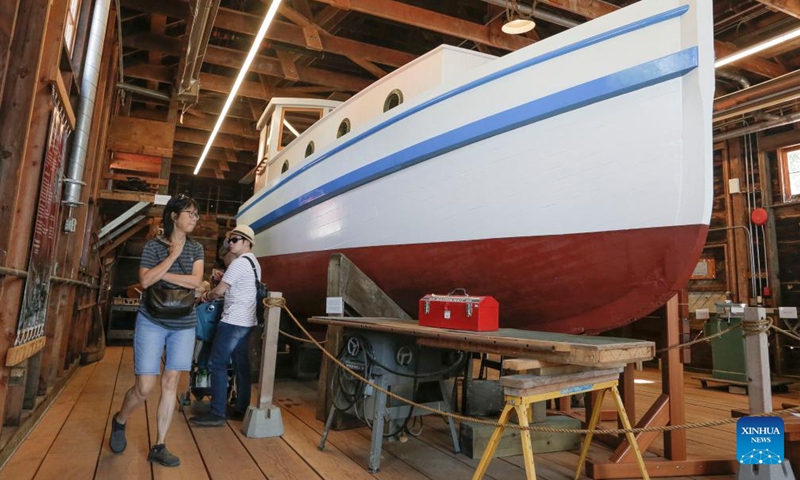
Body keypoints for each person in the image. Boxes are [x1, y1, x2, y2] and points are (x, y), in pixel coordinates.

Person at [108, 194, 204, 467]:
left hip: (184, 322)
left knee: (171, 382)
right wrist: (172, 256)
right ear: (174, 216)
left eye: (196, 215)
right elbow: (145, 280)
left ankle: (159, 445)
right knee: (144, 387)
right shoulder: (153, 246)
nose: (194, 219)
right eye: (190, 213)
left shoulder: (197, 248)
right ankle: (120, 420)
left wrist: (163, 274)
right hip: (152, 320)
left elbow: (197, 281)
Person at [189, 224, 260, 426]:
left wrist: (205, 296)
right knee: (241, 365)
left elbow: (218, 292)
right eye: (230, 239)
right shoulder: (254, 263)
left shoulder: (238, 264)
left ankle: (217, 412)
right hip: (247, 321)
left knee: (216, 363)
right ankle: (241, 407)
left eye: (235, 240)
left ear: (247, 242)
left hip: (232, 321)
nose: (230, 243)